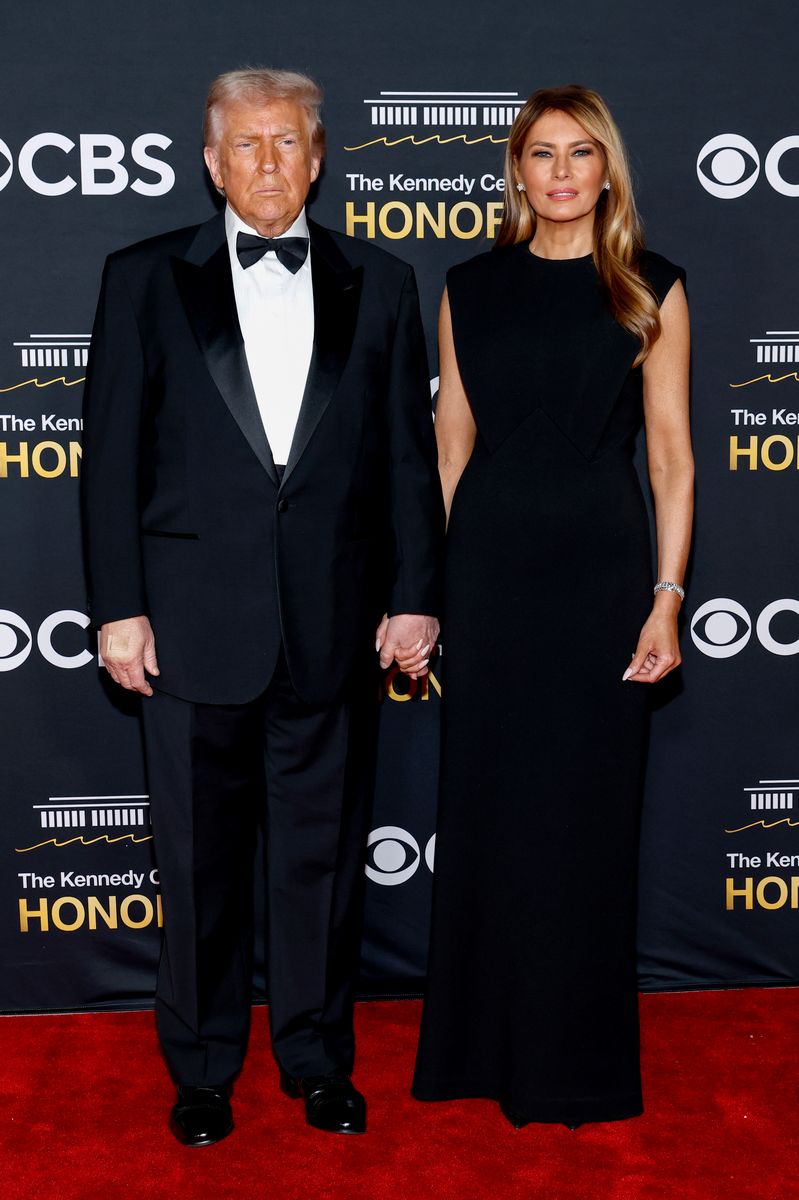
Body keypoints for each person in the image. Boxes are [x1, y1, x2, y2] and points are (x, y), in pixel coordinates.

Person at [81, 67, 443, 1146]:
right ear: (211, 162)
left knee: (320, 864)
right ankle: (201, 1069)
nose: (268, 163)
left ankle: (317, 1059)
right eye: (246, 144)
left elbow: (407, 459)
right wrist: (118, 607)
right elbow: (109, 460)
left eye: (288, 141)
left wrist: (414, 598)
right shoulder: (143, 277)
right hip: (189, 626)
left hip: (334, 622)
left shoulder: (382, 280)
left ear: (318, 158)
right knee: (196, 865)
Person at [412, 85, 693, 1128]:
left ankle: (576, 1062)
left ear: (606, 169)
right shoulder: (468, 286)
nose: (562, 172)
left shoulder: (650, 288)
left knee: (583, 818)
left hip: (600, 578)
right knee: (488, 811)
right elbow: (450, 452)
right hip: (489, 577)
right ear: (517, 171)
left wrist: (666, 598)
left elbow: (670, 457)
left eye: (580, 153)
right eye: (542, 153)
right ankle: (477, 1050)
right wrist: (434, 594)